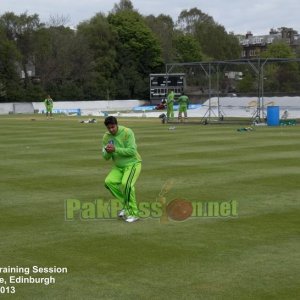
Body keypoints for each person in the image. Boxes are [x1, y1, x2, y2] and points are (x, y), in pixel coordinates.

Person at [102, 116, 142, 223]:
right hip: (118, 167)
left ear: (117, 124)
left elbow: (132, 151)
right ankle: (126, 206)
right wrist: (108, 151)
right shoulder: (106, 137)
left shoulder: (127, 132)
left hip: (133, 164)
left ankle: (134, 214)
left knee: (126, 184)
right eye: (109, 128)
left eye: (113, 127)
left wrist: (115, 149)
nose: (111, 130)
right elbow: (105, 158)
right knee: (109, 182)